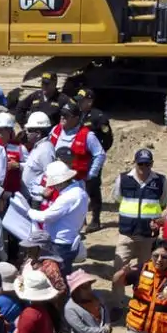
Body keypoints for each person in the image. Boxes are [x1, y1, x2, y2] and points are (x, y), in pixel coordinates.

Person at [112, 147, 167, 271]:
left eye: (147, 164)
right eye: (140, 164)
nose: (143, 167)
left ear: (152, 164)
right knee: (119, 271)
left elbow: (163, 202)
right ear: (135, 163)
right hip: (127, 234)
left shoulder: (160, 181)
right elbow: (118, 198)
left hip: (149, 236)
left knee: (146, 272)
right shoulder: (123, 179)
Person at [26, 161, 87, 271]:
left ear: (61, 182)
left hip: (60, 244)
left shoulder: (68, 197)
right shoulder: (79, 192)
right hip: (68, 240)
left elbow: (46, 217)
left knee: (59, 276)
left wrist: (29, 211)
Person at [75, 88, 115, 231]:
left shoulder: (98, 117)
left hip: (93, 158)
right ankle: (81, 218)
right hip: (79, 157)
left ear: (90, 101)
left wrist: (98, 153)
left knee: (92, 187)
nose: (79, 103)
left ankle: (96, 219)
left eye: (82, 101)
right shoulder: (78, 115)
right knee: (79, 187)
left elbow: (108, 138)